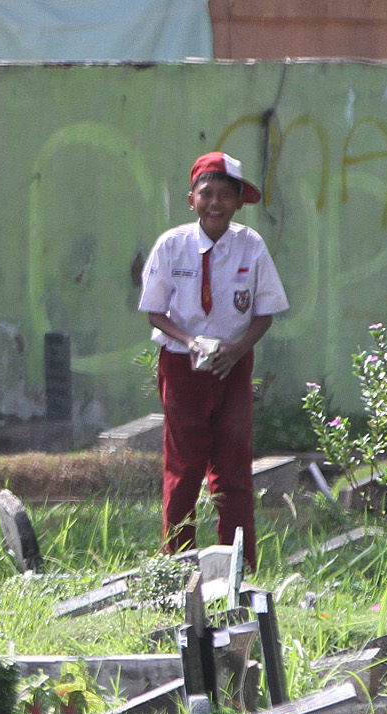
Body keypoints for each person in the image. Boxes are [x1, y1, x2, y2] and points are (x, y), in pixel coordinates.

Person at [136, 151, 288, 569]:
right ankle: (178, 566)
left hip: (233, 366)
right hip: (182, 367)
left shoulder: (250, 246)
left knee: (233, 471)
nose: (215, 203)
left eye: (225, 194)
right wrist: (191, 342)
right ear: (191, 199)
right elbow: (154, 311)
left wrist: (237, 349)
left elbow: (264, 312)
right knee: (184, 470)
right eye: (207, 193)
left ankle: (237, 566)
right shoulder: (172, 246)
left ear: (239, 202)